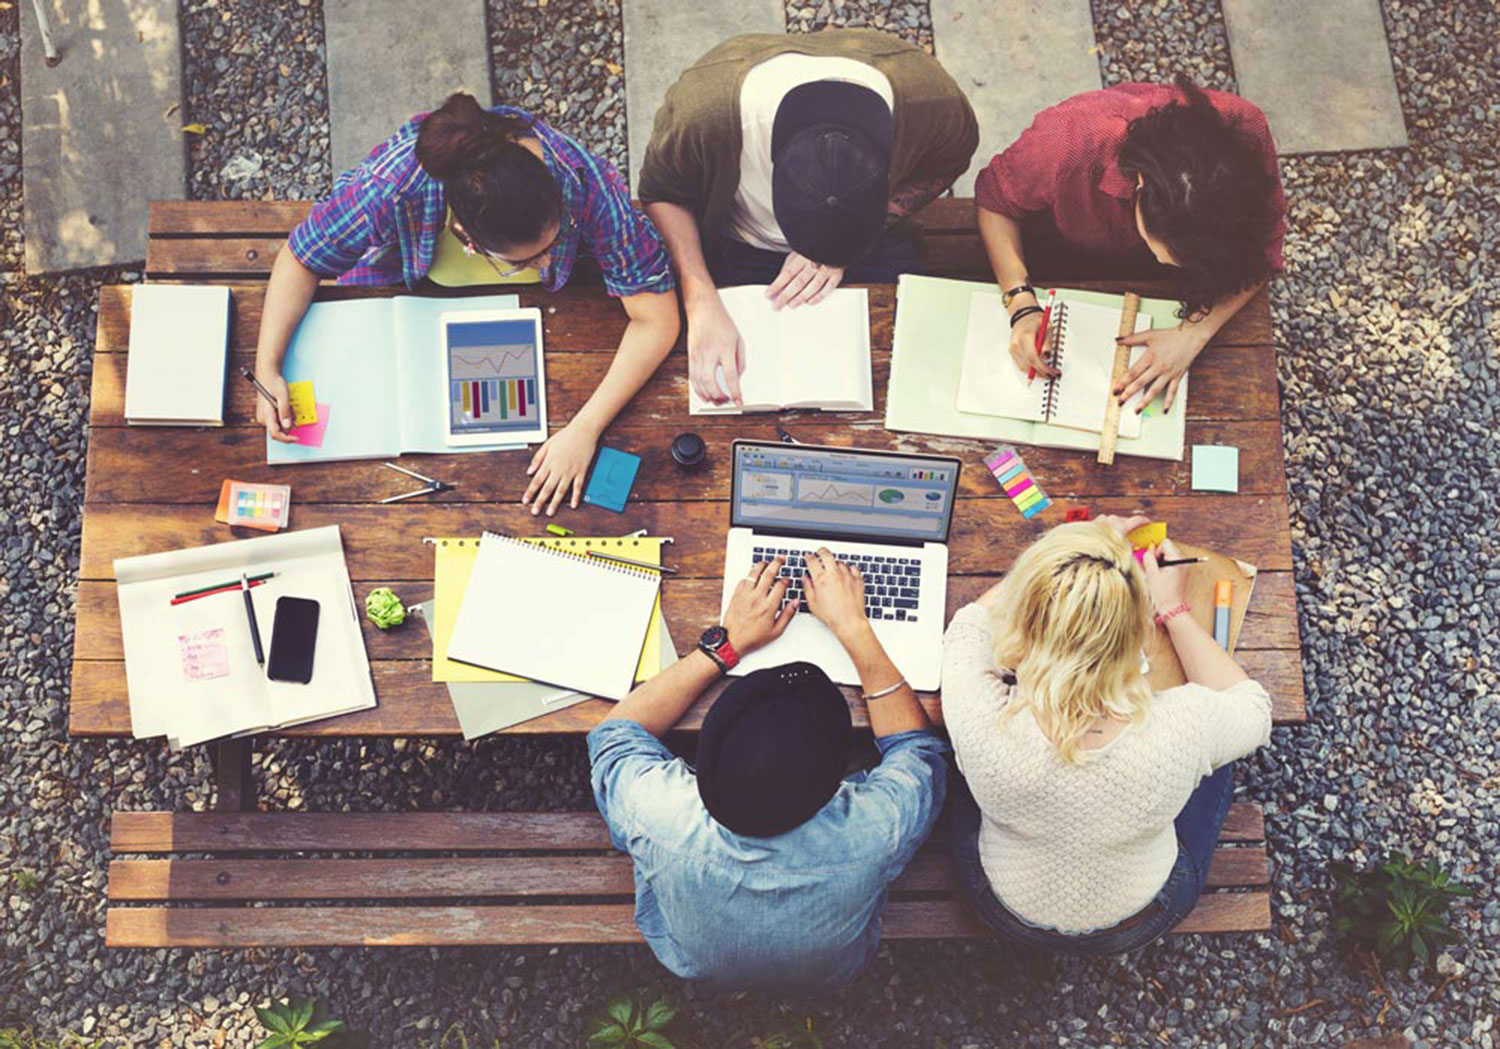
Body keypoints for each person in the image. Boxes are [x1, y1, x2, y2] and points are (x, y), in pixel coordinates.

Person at [251, 92, 679, 515]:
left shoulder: (582, 181)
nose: (550, 261)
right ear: (467, 238)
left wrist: (584, 430)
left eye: (560, 236)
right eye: (527, 260)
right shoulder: (391, 187)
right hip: (401, 292)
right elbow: (302, 257)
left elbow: (657, 318)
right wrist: (268, 365)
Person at [587, 551, 948, 989]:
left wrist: (725, 647)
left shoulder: (659, 812)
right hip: (830, 971)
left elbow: (614, 734)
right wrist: (853, 627)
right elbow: (919, 752)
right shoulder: (874, 831)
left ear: (703, 762)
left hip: (690, 959)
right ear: (837, 782)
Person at [939, 517, 1273, 954]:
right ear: (1138, 632)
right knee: (1219, 756)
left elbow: (968, 626)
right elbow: (1253, 708)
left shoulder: (984, 717)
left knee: (954, 757)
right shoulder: (1184, 724)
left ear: (1023, 618)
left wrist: (1064, 557)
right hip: (1142, 913)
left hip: (1002, 906)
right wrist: (1174, 609)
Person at [638, 29, 978, 407]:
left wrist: (851, 242)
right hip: (743, 241)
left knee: (916, 376)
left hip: (870, 239)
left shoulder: (933, 104)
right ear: (770, 158)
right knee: (725, 378)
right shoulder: (705, 116)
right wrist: (699, 297)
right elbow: (662, 192)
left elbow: (947, 163)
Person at [975, 77, 1286, 413]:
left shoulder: (1245, 129)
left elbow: (1264, 252)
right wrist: (1021, 303)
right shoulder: (1068, 141)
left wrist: (1192, 334)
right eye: (1162, 251)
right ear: (1140, 182)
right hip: (1062, 247)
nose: (1164, 264)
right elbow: (995, 201)